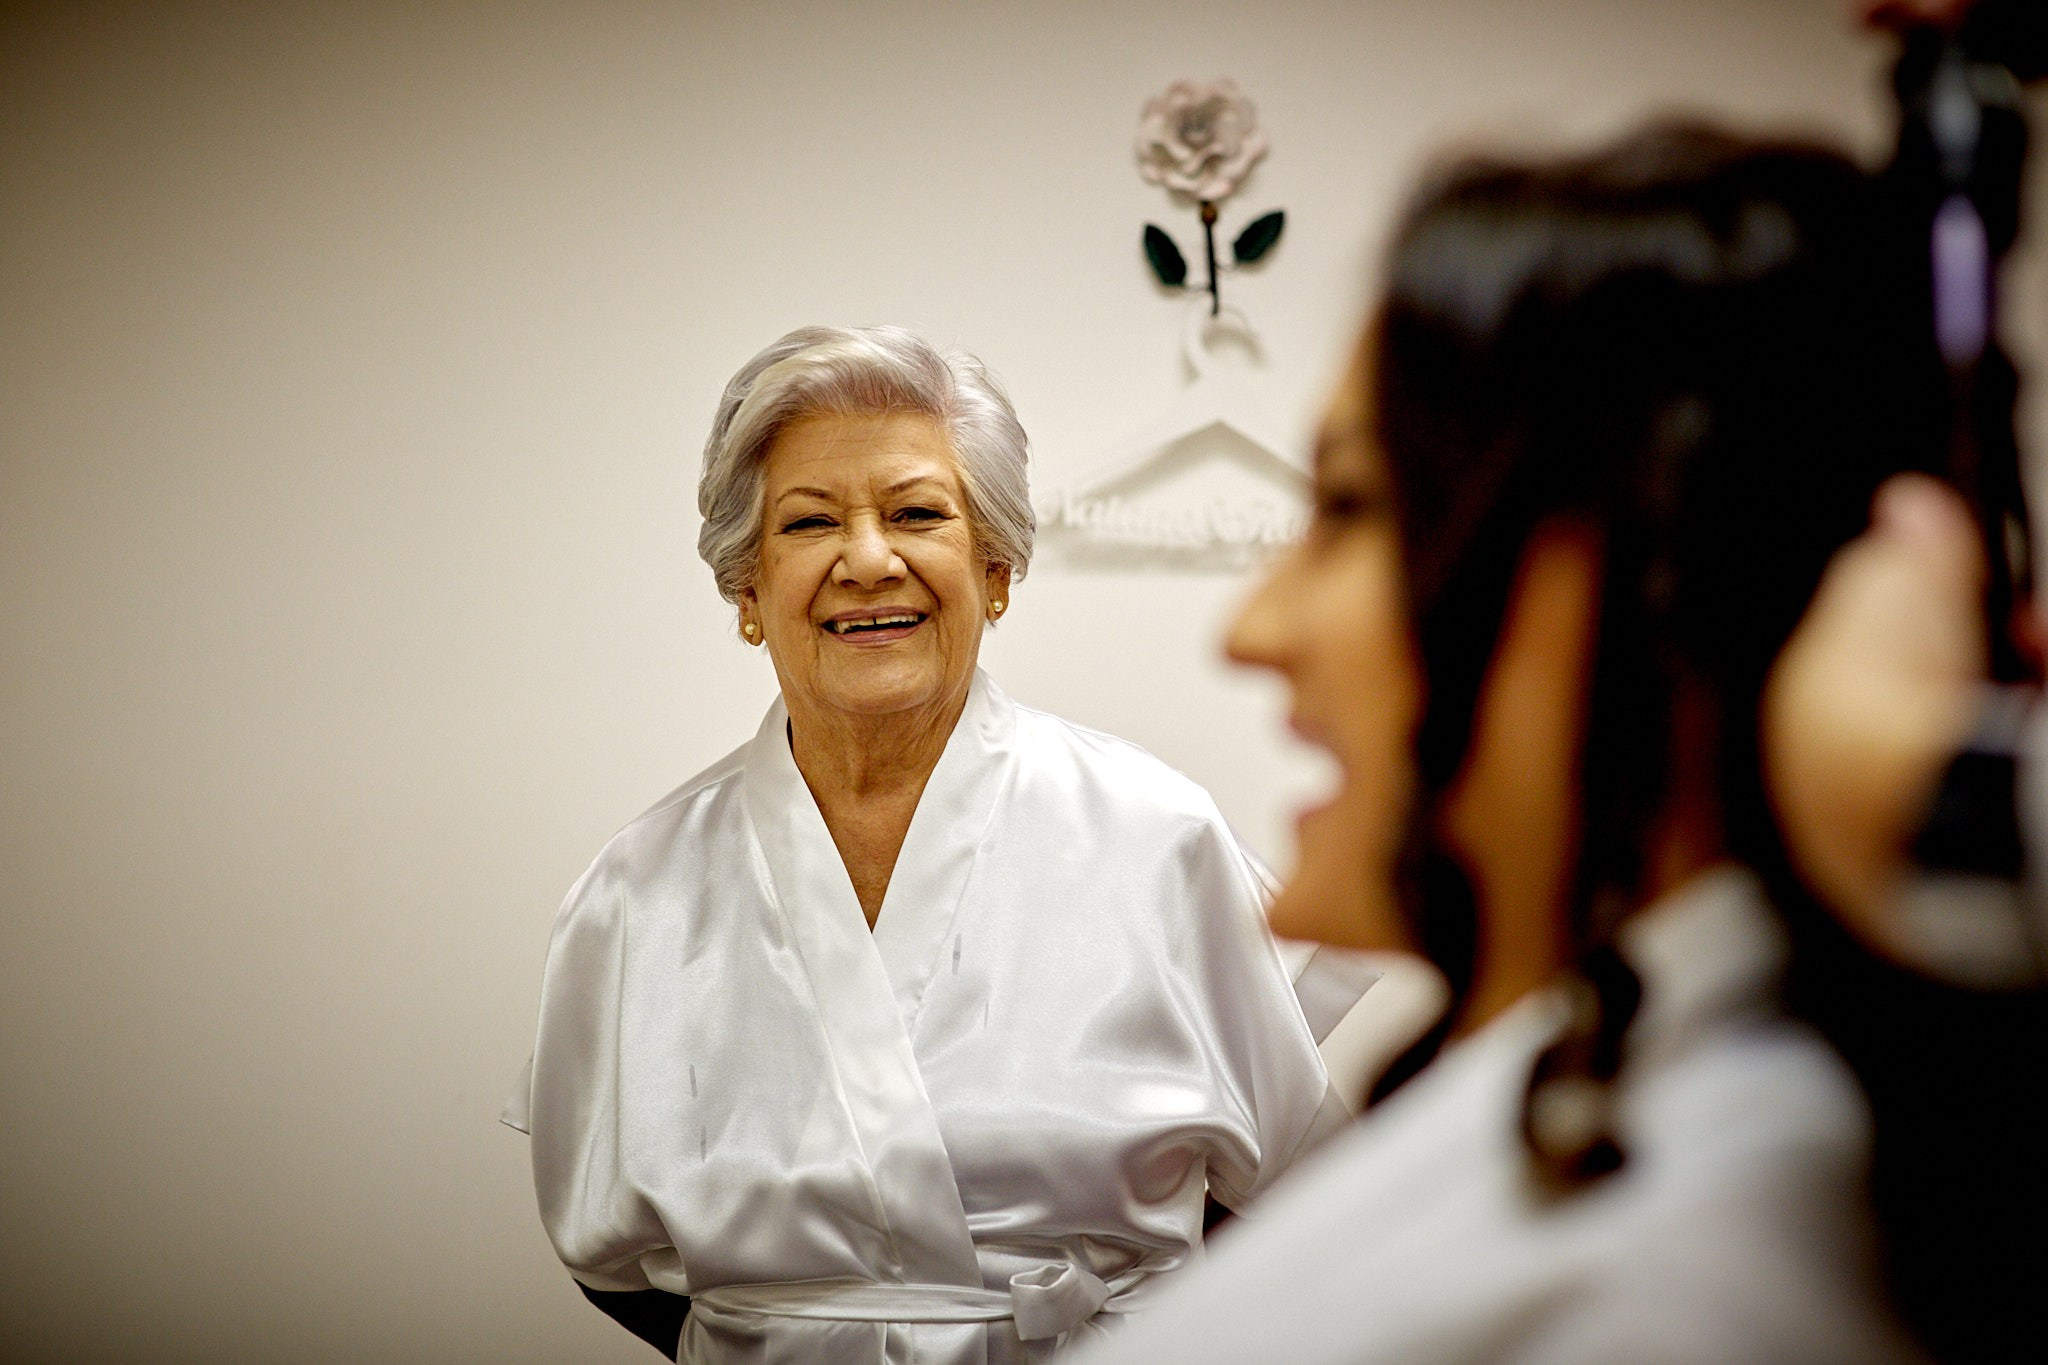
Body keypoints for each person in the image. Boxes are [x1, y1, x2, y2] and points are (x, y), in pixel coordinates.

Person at [1070, 122, 1954, 1363]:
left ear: (1623, 570)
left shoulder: (1693, 1285)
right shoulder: (1582, 1106)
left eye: (1349, 510)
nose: (1252, 627)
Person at [503, 324, 1372, 1364]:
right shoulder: (632, 893)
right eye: (809, 522)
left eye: (917, 513)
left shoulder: (1158, 837)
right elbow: (610, 1267)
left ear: (994, 568)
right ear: (746, 591)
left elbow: (1300, 1196)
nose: (868, 561)